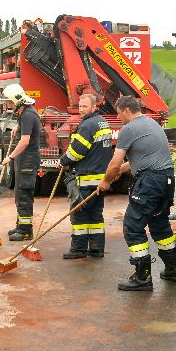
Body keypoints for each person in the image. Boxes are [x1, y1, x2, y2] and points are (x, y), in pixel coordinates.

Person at [97, 96, 176, 291]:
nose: (118, 118)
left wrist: (106, 181)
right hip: (166, 180)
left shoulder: (129, 129)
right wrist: (121, 171)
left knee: (133, 227)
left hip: (149, 182)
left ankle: (142, 278)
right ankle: (172, 270)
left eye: (119, 113)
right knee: (159, 224)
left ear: (127, 110)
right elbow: (144, 157)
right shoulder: (151, 124)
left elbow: (114, 162)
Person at [58, 93, 113, 259]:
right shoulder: (102, 122)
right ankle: (96, 249)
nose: (81, 110)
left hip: (86, 179)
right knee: (95, 215)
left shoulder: (88, 125)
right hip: (100, 179)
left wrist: (63, 161)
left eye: (84, 106)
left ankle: (78, 249)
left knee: (79, 215)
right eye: (80, 106)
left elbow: (77, 151)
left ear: (94, 107)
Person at [0, 83, 41, 241]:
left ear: (17, 101)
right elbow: (25, 128)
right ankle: (20, 226)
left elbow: (24, 142)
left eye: (10, 102)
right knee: (20, 193)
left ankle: (25, 231)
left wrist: (10, 157)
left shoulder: (28, 115)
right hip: (25, 160)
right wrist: (17, 128)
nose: (9, 105)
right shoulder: (26, 113)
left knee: (24, 194)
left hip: (27, 161)